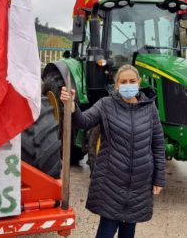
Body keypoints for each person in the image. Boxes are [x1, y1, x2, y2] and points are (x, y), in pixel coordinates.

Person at [60, 64, 165, 238]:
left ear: (139, 83)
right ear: (117, 85)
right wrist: (72, 107)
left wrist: (159, 178)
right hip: (111, 182)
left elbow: (158, 144)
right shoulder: (106, 105)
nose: (128, 85)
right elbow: (84, 121)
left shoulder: (150, 109)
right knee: (106, 230)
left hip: (139, 184)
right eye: (123, 82)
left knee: (128, 231)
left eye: (132, 81)